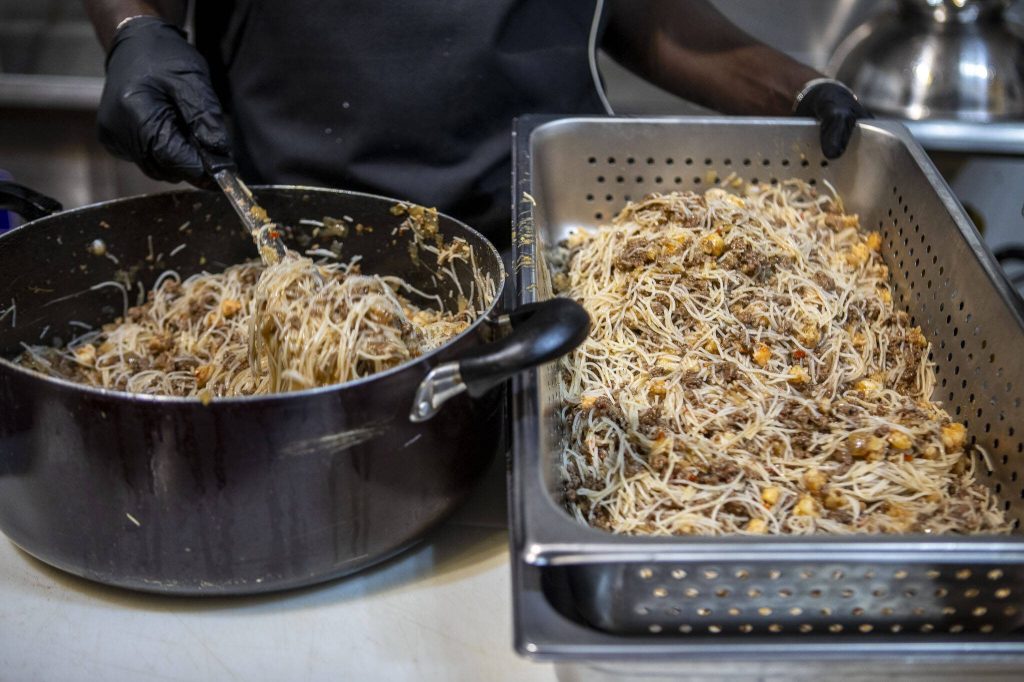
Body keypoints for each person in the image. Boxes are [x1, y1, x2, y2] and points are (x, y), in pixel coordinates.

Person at [84, 0, 867, 248]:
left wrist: (795, 91)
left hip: (545, 243)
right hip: (288, 235)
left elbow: (640, 12)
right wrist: (133, 32)